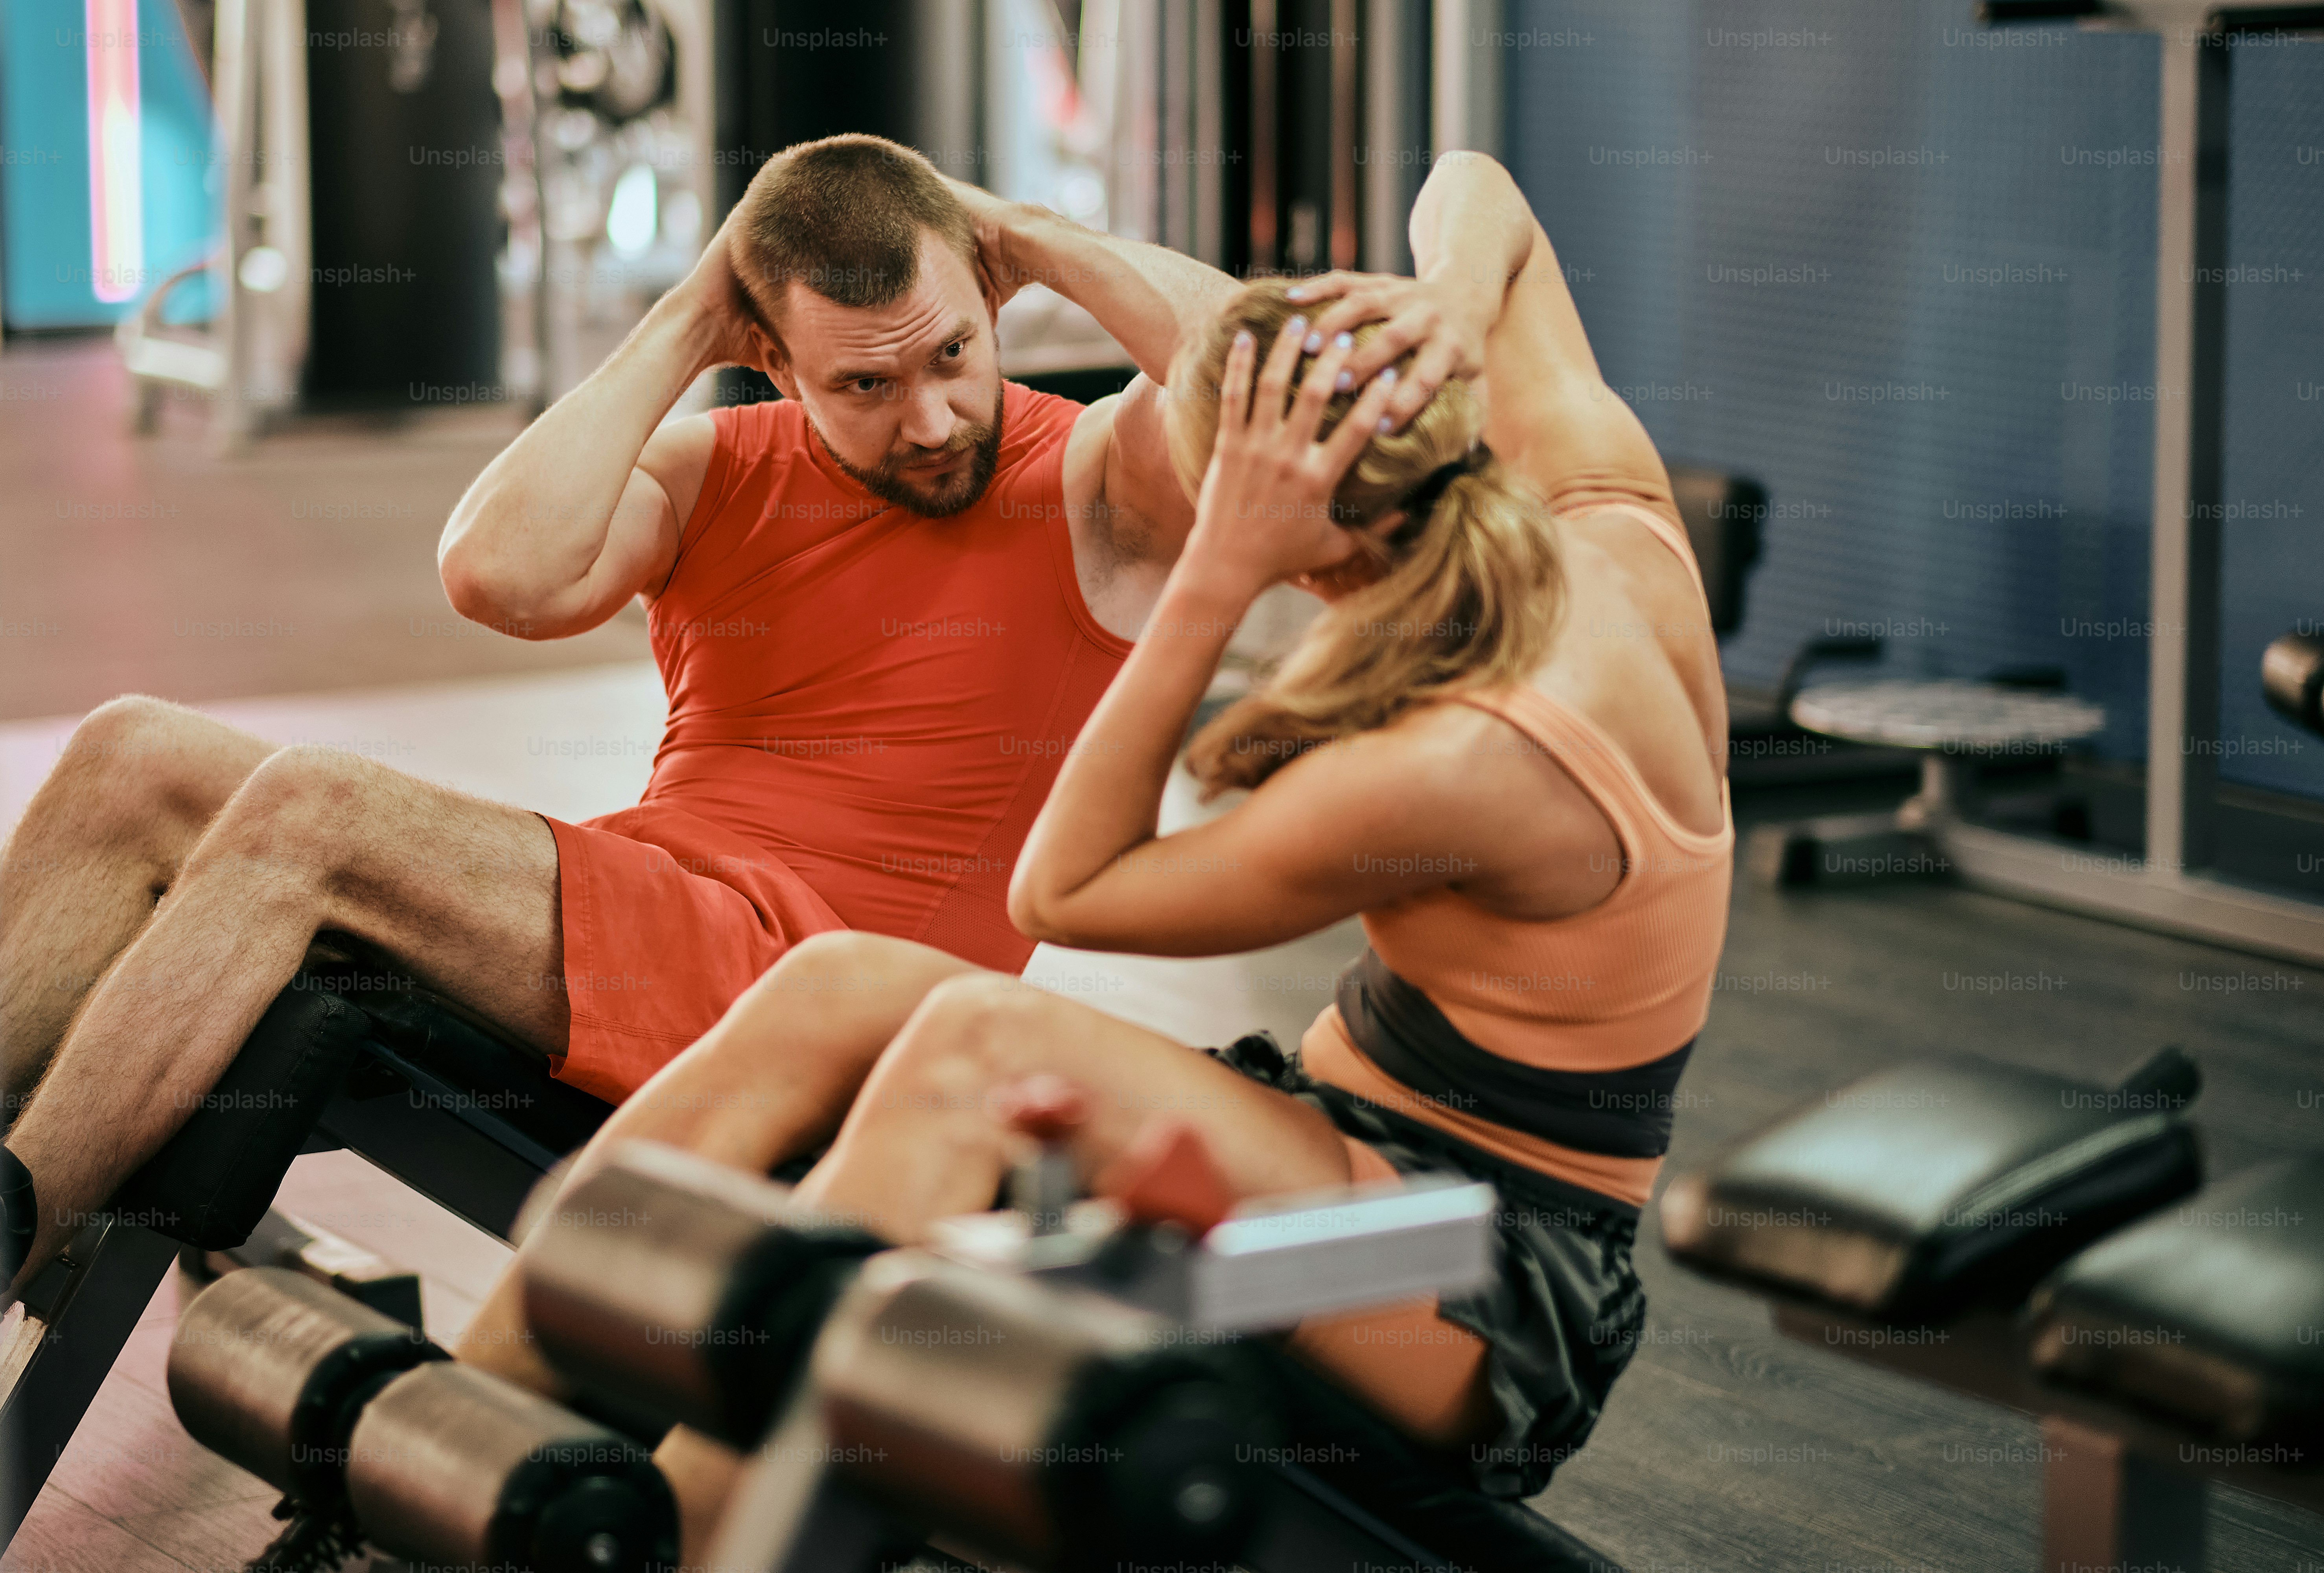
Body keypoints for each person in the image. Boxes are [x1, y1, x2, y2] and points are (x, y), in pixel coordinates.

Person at [454, 150, 1733, 1538]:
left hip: (1475, 1286)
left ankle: (691, 1541)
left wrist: (1215, 579)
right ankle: (475, 1458)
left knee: (974, 1054)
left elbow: (1063, 889)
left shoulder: (1462, 767)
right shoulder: (1604, 514)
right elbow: (1475, 188)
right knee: (833, 985)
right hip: (1324, 1149)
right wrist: (1447, 300)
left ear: (1311, 547)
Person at [0, 134, 1356, 1291]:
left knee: (313, 811)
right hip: (654, 912)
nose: (936, 417)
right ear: (772, 358)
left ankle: (14, 1225)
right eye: (866, 385)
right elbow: (501, 574)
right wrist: (689, 316)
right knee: (130, 753)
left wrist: (1037, 236)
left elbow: (1290, 379)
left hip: (830, 993)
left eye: (954, 352)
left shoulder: (1096, 488)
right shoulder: (720, 470)